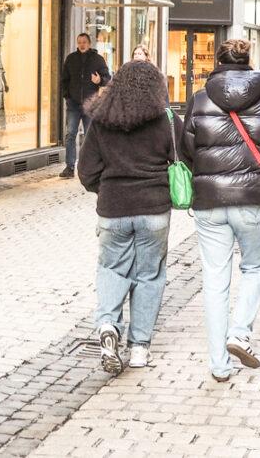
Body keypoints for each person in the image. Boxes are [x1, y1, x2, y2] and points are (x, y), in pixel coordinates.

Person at [180, 39, 260, 382]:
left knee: (215, 280)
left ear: (218, 62)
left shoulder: (200, 98)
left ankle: (218, 365)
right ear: (249, 61)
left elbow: (187, 149)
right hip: (253, 198)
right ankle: (239, 332)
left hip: (210, 201)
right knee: (256, 267)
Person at [78, 61, 181, 374]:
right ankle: (139, 348)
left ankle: (108, 325)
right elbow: (185, 156)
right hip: (154, 209)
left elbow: (86, 172)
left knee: (112, 268)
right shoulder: (165, 118)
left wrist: (107, 190)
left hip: (113, 209)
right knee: (149, 276)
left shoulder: (101, 120)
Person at [60, 34, 110, 178]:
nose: (82, 45)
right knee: (70, 134)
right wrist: (67, 96)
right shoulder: (71, 59)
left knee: (90, 136)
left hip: (90, 104)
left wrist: (99, 79)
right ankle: (69, 167)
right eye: (80, 42)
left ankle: (89, 168)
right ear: (77, 43)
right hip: (73, 104)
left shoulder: (97, 59)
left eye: (84, 42)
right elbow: (64, 80)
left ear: (89, 43)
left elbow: (108, 79)